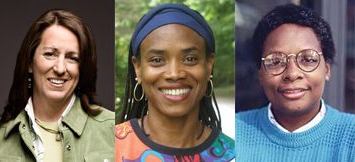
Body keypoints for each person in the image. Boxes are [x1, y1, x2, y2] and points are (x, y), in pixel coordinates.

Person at [115, 3, 235, 162]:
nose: (175, 74)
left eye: (190, 59)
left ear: (209, 65)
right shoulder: (108, 147)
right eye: (157, 60)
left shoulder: (233, 155)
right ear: (138, 68)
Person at [236, 4, 355, 161]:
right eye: (276, 61)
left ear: (327, 69)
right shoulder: (232, 134)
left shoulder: (350, 137)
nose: (292, 74)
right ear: (261, 73)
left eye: (307, 59)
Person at [0, 9, 114, 162]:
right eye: (50, 54)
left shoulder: (112, 130)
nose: (60, 68)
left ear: (82, 68)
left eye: (72, 58)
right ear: (30, 62)